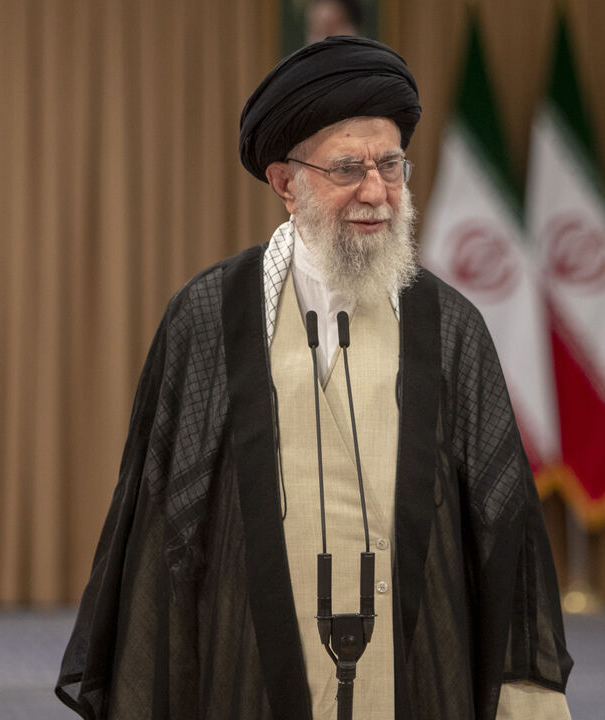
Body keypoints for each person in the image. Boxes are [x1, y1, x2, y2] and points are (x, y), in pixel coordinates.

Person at [56, 36, 573, 719]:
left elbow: (507, 533)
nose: (377, 192)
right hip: (250, 677)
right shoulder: (209, 319)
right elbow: (163, 530)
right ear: (285, 182)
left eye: (391, 166)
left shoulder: (448, 326)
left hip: (415, 681)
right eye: (347, 169)